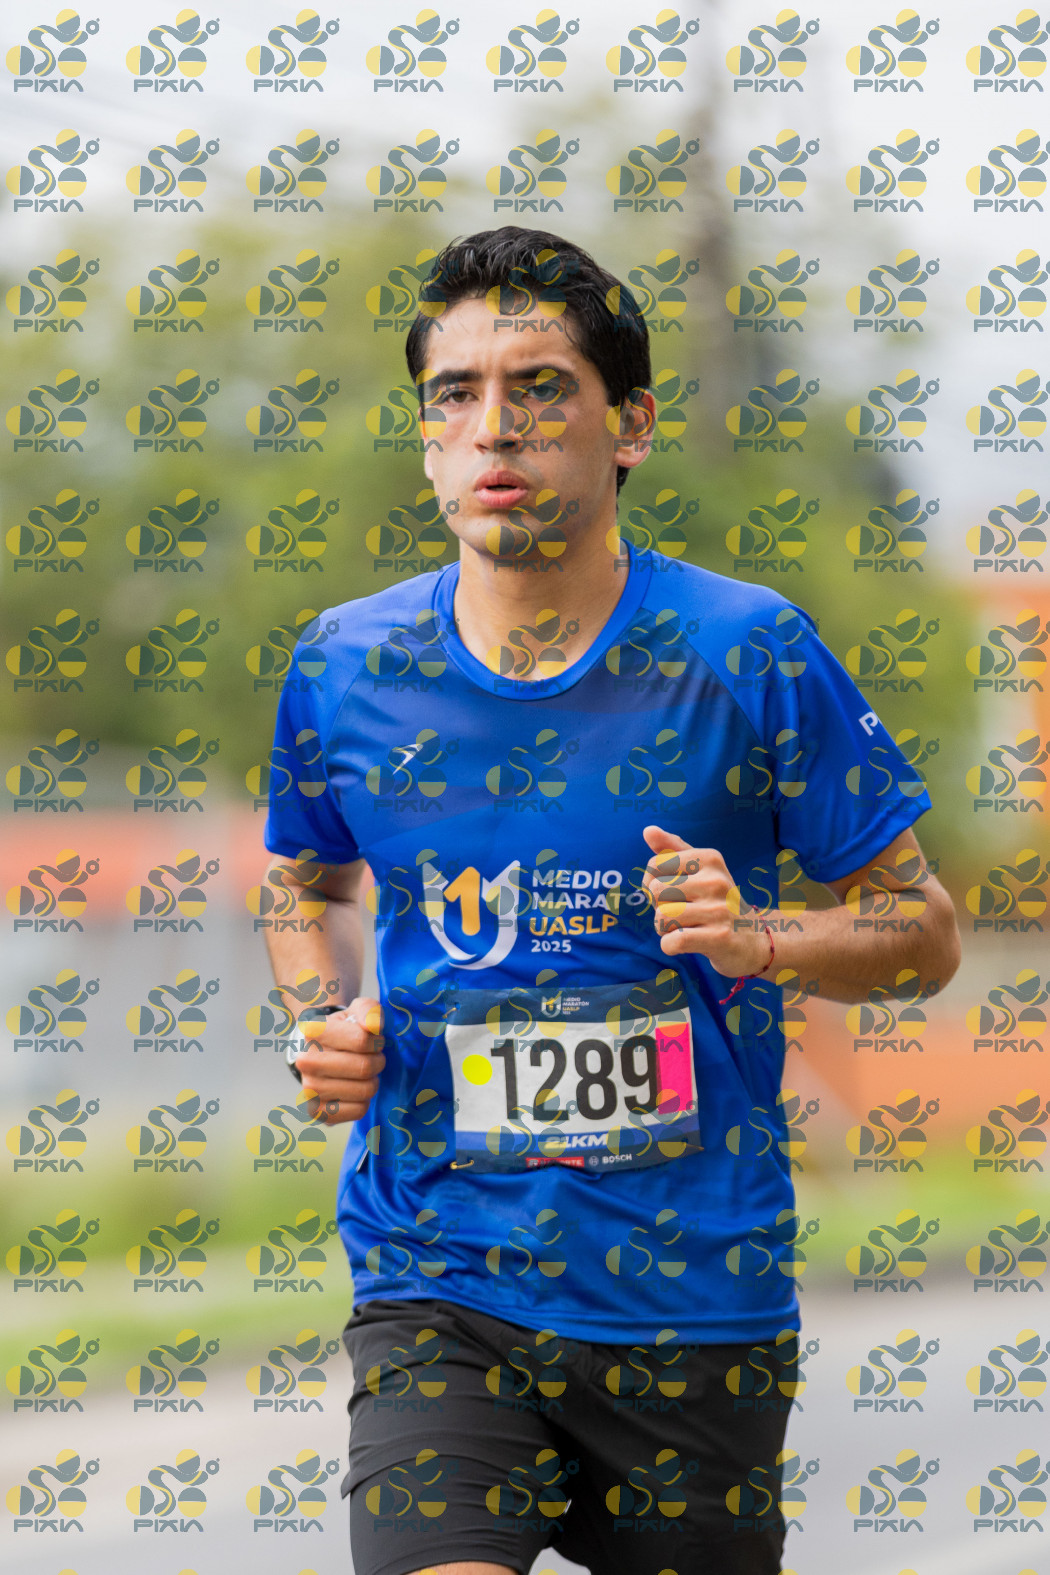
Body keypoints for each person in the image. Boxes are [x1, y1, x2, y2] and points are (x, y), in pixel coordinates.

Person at [261, 226, 961, 1575]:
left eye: (541, 388)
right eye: (454, 394)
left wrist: (760, 939)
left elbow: (921, 932)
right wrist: (324, 1016)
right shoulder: (345, 664)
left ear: (631, 425)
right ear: (425, 441)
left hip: (690, 1301)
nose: (493, 427)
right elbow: (306, 882)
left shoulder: (745, 651)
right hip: (437, 1272)